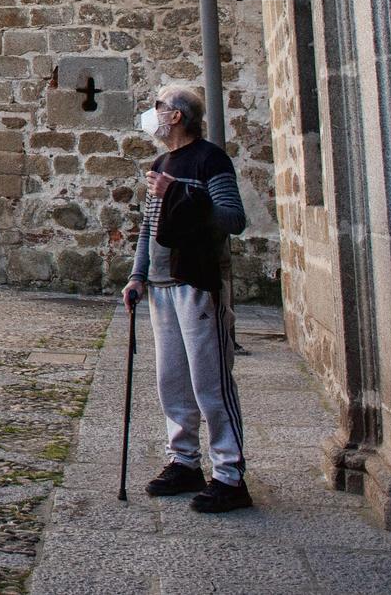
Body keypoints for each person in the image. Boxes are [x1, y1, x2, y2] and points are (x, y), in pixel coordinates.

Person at [121, 84, 252, 513]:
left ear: (176, 116)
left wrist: (177, 192)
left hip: (198, 283)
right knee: (171, 382)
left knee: (209, 383)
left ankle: (230, 475)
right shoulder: (161, 163)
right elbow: (148, 227)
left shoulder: (211, 159)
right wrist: (137, 275)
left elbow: (233, 219)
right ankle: (184, 461)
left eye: (158, 107)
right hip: (160, 286)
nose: (153, 114)